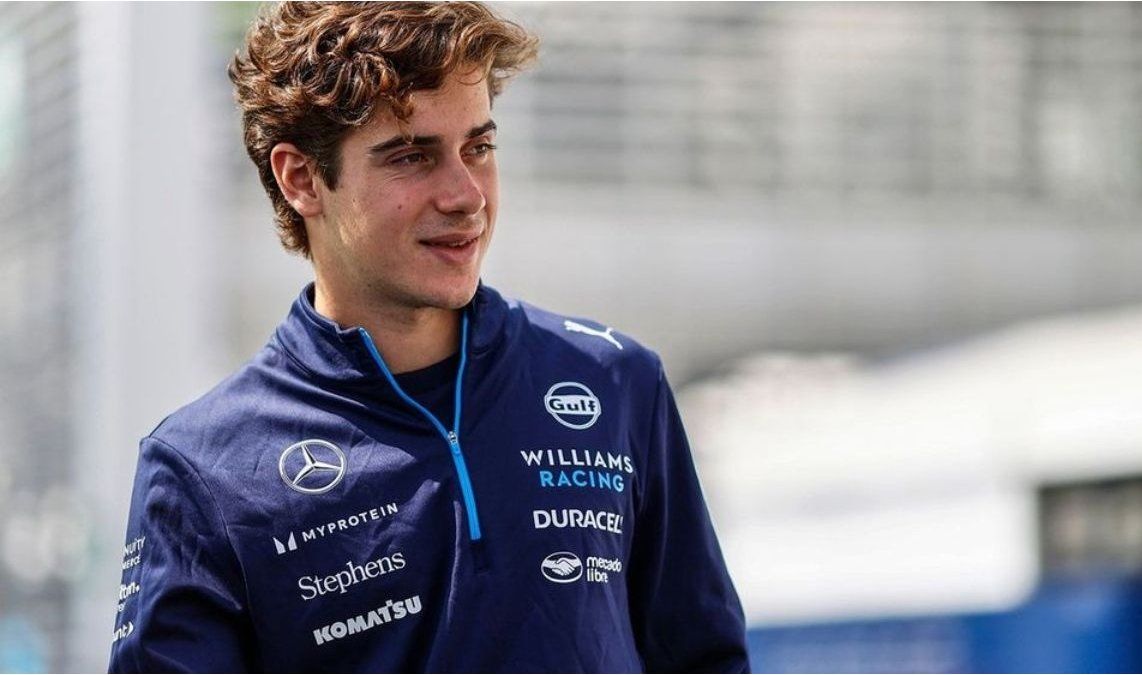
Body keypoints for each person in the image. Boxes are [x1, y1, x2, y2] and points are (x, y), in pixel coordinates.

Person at [108, 2, 747, 672]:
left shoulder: (615, 382)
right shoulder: (202, 469)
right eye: (412, 156)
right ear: (301, 178)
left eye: (479, 148)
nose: (466, 195)